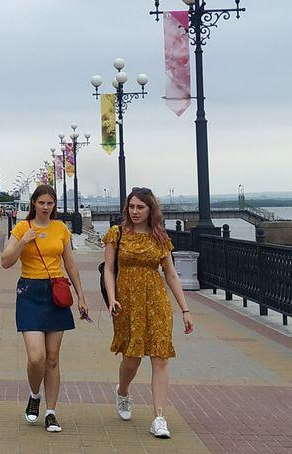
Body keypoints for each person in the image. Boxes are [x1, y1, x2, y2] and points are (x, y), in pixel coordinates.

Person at [102, 187, 194, 439]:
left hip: (156, 302)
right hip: (126, 303)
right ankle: (122, 391)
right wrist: (112, 298)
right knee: (131, 359)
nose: (134, 211)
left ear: (150, 209)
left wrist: (185, 309)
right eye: (131, 206)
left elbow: (171, 274)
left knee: (161, 357)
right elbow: (109, 270)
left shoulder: (160, 238)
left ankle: (159, 417)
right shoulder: (116, 234)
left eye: (140, 207)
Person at [1, 185, 88, 433]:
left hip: (56, 293)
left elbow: (70, 264)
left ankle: (51, 412)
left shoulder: (61, 229)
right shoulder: (22, 228)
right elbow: (5, 262)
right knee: (35, 357)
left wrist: (81, 295)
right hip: (29, 293)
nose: (46, 207)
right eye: (42, 203)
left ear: (54, 205)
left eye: (50, 203)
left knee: (52, 359)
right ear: (33, 203)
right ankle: (34, 394)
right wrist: (22, 243)